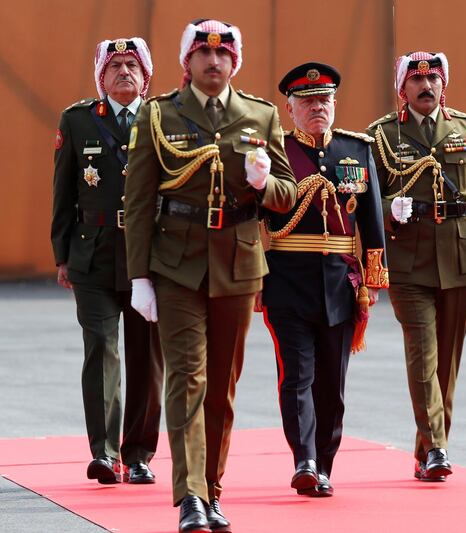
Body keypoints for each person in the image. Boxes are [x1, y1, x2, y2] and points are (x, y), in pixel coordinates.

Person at [123, 19, 297, 533]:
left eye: (223, 55)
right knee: (186, 378)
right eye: (203, 54)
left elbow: (288, 194)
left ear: (235, 62)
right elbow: (136, 204)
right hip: (176, 262)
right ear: (188, 62)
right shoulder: (159, 116)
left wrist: (266, 184)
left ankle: (213, 489)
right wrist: (139, 278)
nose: (214, 62)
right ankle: (190, 496)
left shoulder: (260, 116)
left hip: (239, 263)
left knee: (222, 386)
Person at [367, 51, 466, 482]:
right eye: (416, 81)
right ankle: (439, 446)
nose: (426, 87)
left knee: (447, 361)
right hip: (409, 262)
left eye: (433, 81)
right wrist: (392, 207)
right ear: (402, 89)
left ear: (444, 85)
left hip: (461, 259)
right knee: (423, 354)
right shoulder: (382, 136)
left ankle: (426, 449)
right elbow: (368, 200)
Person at [260, 62, 389, 497]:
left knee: (332, 385)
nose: (318, 107)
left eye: (324, 100)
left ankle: (325, 464)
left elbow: (371, 221)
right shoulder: (276, 152)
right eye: (307, 101)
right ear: (290, 108)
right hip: (286, 280)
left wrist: (372, 278)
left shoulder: (357, 150)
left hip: (339, 283)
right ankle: (305, 460)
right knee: (296, 375)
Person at [51, 37, 163, 486]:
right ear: (101, 76)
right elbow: (63, 193)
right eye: (114, 65)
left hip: (149, 256)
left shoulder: (163, 119)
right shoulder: (78, 121)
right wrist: (62, 255)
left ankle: (139, 454)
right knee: (100, 349)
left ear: (146, 74)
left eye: (132, 64)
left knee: (146, 356)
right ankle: (104, 452)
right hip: (92, 253)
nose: (123, 72)